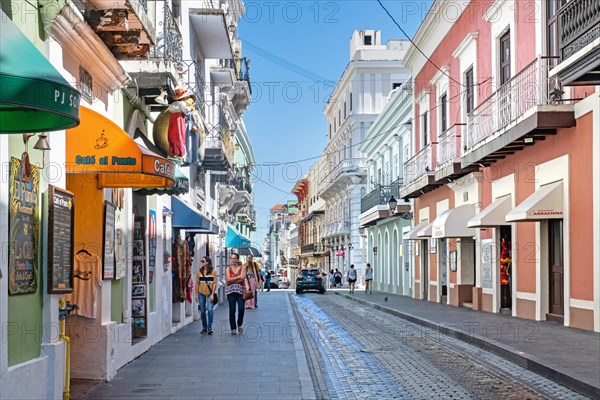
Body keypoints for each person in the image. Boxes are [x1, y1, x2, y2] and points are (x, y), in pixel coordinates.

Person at [225, 253, 247, 335]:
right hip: (230, 291)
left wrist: (232, 280)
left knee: (241, 308)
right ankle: (233, 328)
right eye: (231, 258)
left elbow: (242, 279)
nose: (233, 260)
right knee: (232, 310)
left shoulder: (242, 268)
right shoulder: (228, 269)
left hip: (241, 291)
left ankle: (240, 323)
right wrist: (238, 278)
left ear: (237, 259)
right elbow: (228, 280)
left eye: (234, 258)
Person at [197, 256, 217, 335]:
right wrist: (196, 295)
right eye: (201, 261)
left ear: (207, 262)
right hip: (201, 293)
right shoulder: (199, 271)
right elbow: (197, 283)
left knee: (210, 310)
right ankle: (204, 327)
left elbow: (214, 283)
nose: (202, 262)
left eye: (203, 261)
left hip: (209, 294)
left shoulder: (213, 271)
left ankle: (209, 327)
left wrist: (212, 294)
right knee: (202, 311)